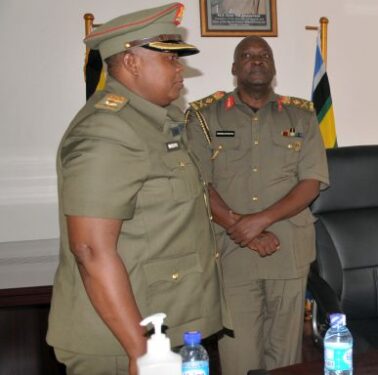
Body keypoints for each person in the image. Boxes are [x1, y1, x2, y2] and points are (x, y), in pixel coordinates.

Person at [47, 3, 225, 374]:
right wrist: (141, 351)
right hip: (122, 342)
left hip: (166, 325)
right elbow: (91, 250)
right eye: (170, 60)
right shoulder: (108, 131)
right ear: (131, 63)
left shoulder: (160, 120)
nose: (180, 70)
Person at [185, 36, 329, 373]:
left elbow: (311, 184)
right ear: (235, 68)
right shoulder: (204, 118)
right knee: (239, 357)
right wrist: (244, 229)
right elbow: (197, 185)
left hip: (288, 250)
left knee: (286, 358)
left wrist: (258, 221)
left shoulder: (303, 116)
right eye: (247, 55)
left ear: (274, 67)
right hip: (231, 252)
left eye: (264, 55)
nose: (257, 60)